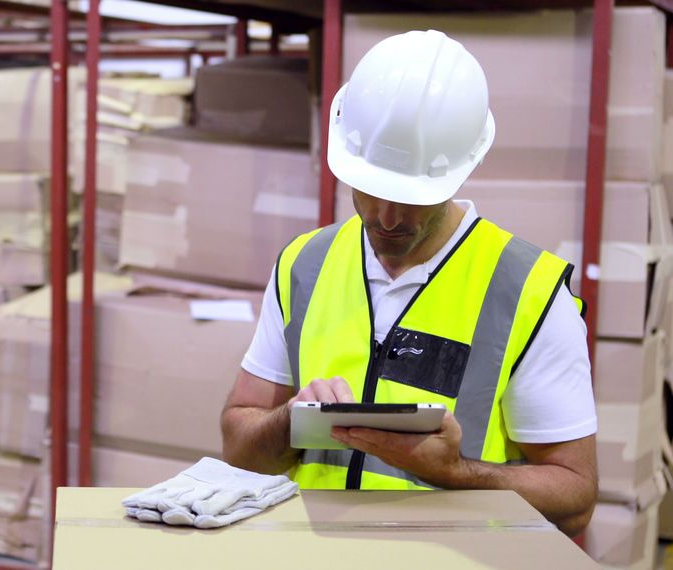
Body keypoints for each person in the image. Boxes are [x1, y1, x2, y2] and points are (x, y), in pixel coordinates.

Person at [220, 29, 597, 536]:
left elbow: (575, 497)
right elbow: (239, 447)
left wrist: (455, 473)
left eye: (413, 196)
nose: (388, 217)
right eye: (371, 189)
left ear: (463, 168)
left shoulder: (529, 290)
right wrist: (288, 420)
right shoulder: (303, 265)